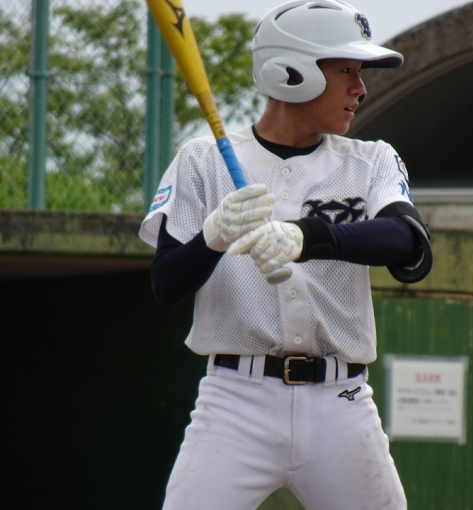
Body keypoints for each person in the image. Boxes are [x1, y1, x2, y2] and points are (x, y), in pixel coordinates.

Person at [139, 1, 432, 509]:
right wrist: (213, 237)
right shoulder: (202, 160)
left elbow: (408, 241)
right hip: (235, 402)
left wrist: (308, 237)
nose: (360, 88)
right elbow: (166, 284)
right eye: (346, 71)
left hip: (341, 403)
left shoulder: (370, 160)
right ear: (291, 72)